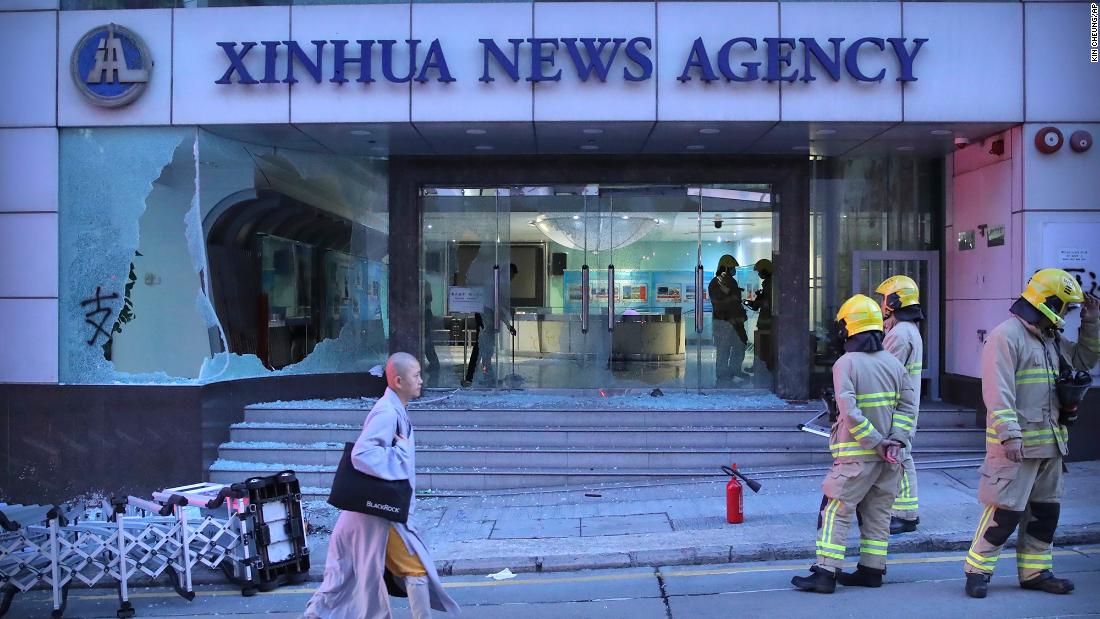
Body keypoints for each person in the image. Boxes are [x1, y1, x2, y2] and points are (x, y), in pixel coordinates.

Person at [963, 269, 1098, 599]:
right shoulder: (1005, 336)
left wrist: (1092, 321)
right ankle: (977, 570)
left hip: (1050, 444)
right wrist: (1009, 435)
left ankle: (1035, 571)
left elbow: (1084, 358)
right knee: (1003, 512)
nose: (1066, 314)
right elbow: (998, 391)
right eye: (1065, 307)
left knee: (1045, 513)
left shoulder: (1049, 337)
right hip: (1016, 446)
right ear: (1050, 303)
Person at [303, 352, 460, 619]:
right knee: (415, 570)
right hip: (379, 515)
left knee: (343, 579)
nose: (421, 380)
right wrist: (399, 456)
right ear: (398, 381)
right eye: (416, 375)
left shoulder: (395, 409)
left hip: (372, 514)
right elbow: (362, 454)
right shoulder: (388, 412)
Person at [791, 294, 917, 594]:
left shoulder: (845, 364)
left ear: (849, 327)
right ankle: (871, 571)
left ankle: (825, 573)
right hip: (889, 460)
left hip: (856, 458)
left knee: (835, 510)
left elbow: (849, 413)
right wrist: (895, 442)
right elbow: (907, 408)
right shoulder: (893, 363)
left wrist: (876, 442)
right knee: (877, 515)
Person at [873, 275, 925, 535]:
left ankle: (905, 515)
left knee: (900, 458)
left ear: (893, 302)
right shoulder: (908, 330)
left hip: (897, 409)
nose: (882, 306)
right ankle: (904, 511)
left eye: (884, 300)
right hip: (905, 406)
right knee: (902, 456)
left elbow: (884, 373)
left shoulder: (899, 335)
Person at [464, 262, 517, 385]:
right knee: (482, 347)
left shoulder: (496, 283)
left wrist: (509, 326)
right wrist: (508, 323)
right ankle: (472, 377)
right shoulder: (495, 283)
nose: (511, 279)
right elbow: (498, 307)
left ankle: (482, 374)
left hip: (487, 316)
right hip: (484, 316)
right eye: (512, 275)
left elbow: (499, 309)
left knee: (486, 348)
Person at [709, 255, 749, 382]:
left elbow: (734, 302)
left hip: (734, 321)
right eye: (732, 267)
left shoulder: (730, 281)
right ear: (725, 267)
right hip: (724, 321)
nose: (734, 270)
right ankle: (722, 373)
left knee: (740, 345)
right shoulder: (717, 282)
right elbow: (724, 302)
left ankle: (734, 369)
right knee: (723, 348)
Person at [745, 258, 774, 373]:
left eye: (760, 271)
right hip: (765, 320)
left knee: (763, 346)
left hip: (767, 321)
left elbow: (768, 303)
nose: (759, 274)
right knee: (762, 346)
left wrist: (756, 302)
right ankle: (760, 367)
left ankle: (760, 367)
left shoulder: (770, 284)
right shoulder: (768, 283)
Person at [422, 280, 440, 374]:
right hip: (424, 313)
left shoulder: (424, 283)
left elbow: (429, 298)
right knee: (426, 341)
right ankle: (434, 362)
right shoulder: (425, 283)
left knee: (427, 342)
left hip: (425, 313)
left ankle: (434, 362)